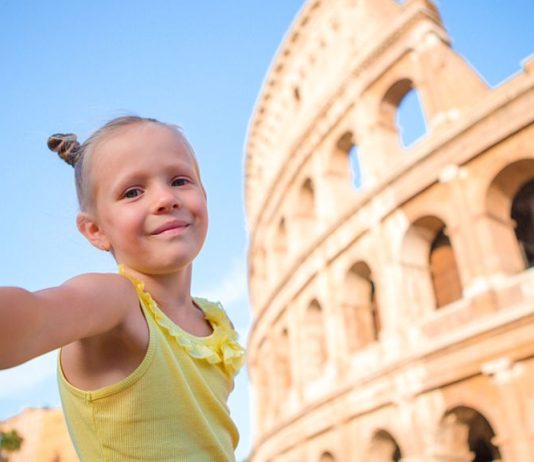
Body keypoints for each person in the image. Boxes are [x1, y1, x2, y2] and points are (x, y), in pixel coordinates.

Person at [0, 116, 245, 461]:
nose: (165, 198)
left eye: (179, 180)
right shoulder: (116, 302)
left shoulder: (217, 324)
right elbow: (32, 317)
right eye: (133, 192)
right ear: (95, 230)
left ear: (204, 196)